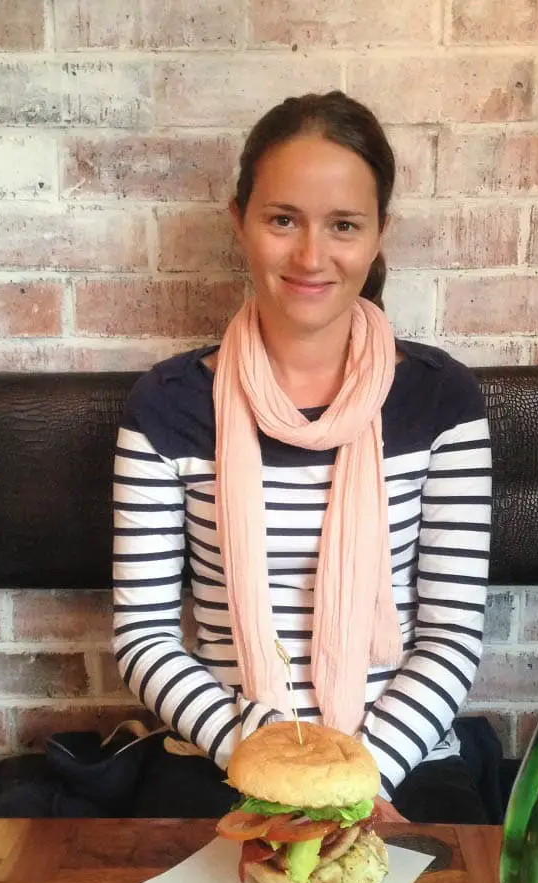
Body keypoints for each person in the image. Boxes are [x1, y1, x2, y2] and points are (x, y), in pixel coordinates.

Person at [112, 91, 492, 823]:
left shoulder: (442, 400)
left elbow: (450, 636)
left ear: (380, 233)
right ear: (240, 223)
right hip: (223, 752)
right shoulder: (165, 405)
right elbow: (144, 634)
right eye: (283, 219)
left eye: (343, 225)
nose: (312, 256)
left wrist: (358, 775)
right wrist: (268, 758)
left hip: (401, 759)